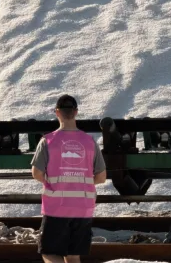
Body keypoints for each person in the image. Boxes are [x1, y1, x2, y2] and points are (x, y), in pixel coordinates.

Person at [31, 95, 107, 263]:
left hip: (56, 208)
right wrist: (80, 181)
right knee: (73, 256)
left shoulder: (48, 141)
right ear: (76, 112)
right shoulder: (89, 141)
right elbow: (101, 177)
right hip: (83, 209)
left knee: (49, 253)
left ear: (57, 113)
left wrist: (56, 182)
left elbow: (36, 173)